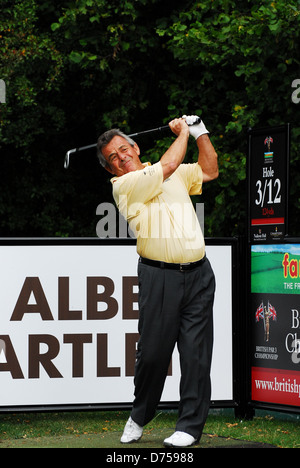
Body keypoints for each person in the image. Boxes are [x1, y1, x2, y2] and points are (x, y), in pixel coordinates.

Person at [97, 115, 218, 447]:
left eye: (124, 149)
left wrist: (200, 132)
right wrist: (182, 133)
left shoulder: (173, 169)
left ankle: (189, 428)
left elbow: (209, 170)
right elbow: (167, 166)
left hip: (199, 276)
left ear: (135, 147)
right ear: (111, 170)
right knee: (153, 355)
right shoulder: (124, 186)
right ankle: (140, 415)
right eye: (114, 158)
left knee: (195, 355)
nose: (122, 157)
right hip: (158, 276)